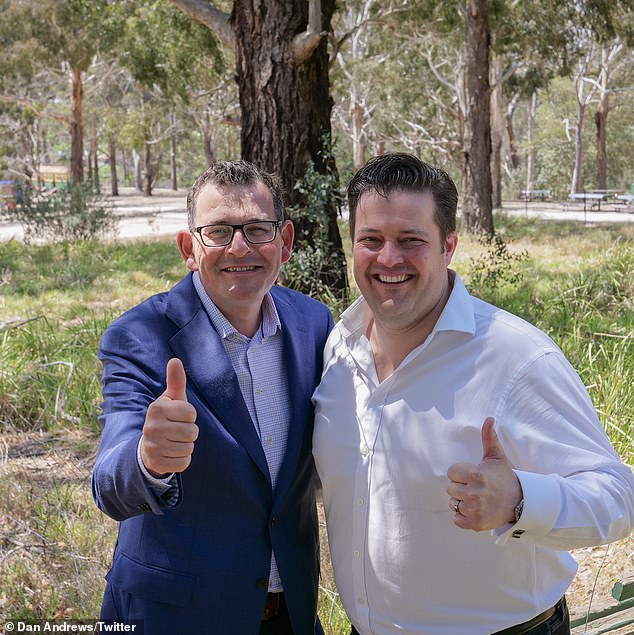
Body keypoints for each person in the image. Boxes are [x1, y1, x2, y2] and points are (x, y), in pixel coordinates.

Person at [312, 153, 634, 635]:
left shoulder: (515, 358)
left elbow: (618, 496)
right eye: (371, 240)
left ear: (449, 246)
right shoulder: (339, 348)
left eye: (410, 240)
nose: (388, 258)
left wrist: (521, 500)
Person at [93, 160, 333, 635]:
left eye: (257, 230)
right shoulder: (139, 337)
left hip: (290, 614)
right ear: (189, 247)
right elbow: (108, 482)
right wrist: (148, 459)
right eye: (218, 231)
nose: (239, 246)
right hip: (175, 617)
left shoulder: (314, 325)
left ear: (284, 242)